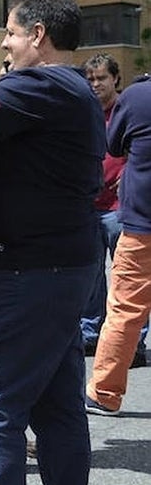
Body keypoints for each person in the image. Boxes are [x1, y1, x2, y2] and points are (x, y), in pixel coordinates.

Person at [0, 0, 102, 485]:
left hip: (25, 272)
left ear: (38, 35)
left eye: (10, 32)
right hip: (60, 265)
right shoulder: (73, 89)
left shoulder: (44, 86)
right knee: (56, 404)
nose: (5, 45)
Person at [87, 71, 151, 415]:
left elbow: (113, 144)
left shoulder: (139, 97)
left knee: (125, 311)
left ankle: (104, 393)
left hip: (143, 225)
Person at [79, 53, 147, 367]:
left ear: (116, 79)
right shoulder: (83, 111)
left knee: (129, 284)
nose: (95, 85)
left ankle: (133, 344)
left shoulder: (129, 107)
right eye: (90, 79)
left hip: (122, 209)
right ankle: (91, 333)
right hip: (90, 206)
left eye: (101, 78)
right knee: (91, 278)